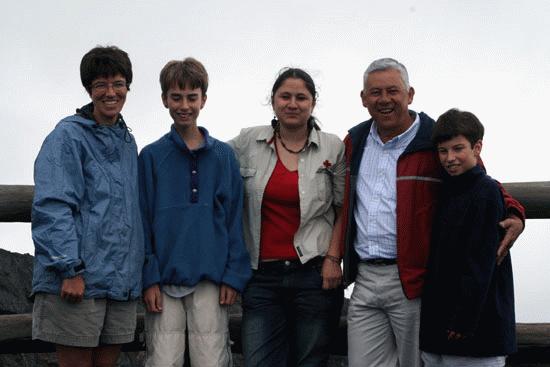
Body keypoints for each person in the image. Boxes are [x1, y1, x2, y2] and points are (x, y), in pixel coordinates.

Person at [341, 58, 525, 367]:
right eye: (375, 92)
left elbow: (478, 182)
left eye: (392, 91)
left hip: (412, 278)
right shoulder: (354, 141)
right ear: (363, 98)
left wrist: (515, 212)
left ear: (410, 94)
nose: (384, 99)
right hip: (365, 277)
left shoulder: (433, 139)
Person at [31, 45, 144, 367]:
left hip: (119, 282)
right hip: (78, 280)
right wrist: (69, 269)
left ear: (127, 87)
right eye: (101, 85)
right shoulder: (67, 136)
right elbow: (52, 205)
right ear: (89, 90)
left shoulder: (126, 140)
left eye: (118, 84)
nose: (111, 92)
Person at [229, 68, 346, 367]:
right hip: (261, 276)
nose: (292, 104)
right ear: (273, 101)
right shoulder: (247, 142)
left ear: (313, 103)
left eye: (301, 97)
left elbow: (343, 207)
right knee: (259, 360)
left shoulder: (333, 147)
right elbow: (208, 159)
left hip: (314, 274)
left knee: (310, 361)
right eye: (285, 96)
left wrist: (334, 259)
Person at [139, 57, 252, 367]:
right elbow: (142, 221)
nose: (184, 105)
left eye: (192, 97)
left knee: (212, 361)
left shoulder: (224, 157)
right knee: (162, 361)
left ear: (204, 98)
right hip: (163, 282)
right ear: (164, 99)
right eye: (176, 97)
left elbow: (234, 220)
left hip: (211, 281)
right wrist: (148, 278)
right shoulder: (151, 157)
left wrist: (233, 275)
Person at [419, 108, 516, 367]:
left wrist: (463, 320)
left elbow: (480, 264)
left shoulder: (485, 191)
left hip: (475, 332)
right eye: (443, 151)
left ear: (477, 148)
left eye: (458, 148)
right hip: (441, 327)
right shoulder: (446, 190)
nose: (450, 158)